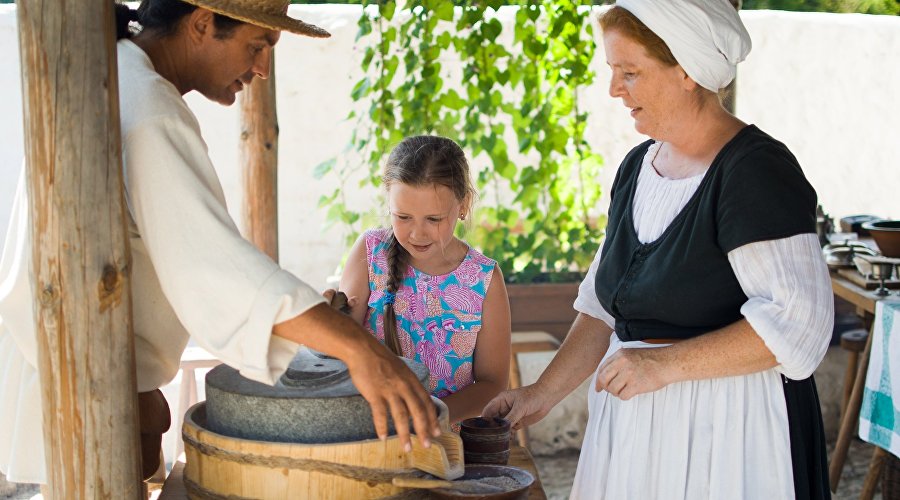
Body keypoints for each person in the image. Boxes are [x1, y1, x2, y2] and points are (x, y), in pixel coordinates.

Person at [0, 0, 438, 484]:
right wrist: (362, 350)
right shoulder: (148, 110)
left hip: (77, 378)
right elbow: (214, 269)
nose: (262, 68)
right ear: (202, 24)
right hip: (76, 398)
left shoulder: (121, 75)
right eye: (257, 45)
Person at [483, 2, 834, 499]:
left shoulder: (755, 173)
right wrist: (541, 394)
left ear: (686, 70)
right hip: (635, 435)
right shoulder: (637, 169)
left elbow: (800, 326)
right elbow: (604, 307)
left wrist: (664, 364)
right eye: (612, 71)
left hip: (730, 438)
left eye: (630, 73)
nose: (614, 89)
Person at [339, 135, 511, 425]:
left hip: (449, 442)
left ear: (464, 205)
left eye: (433, 219)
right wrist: (331, 316)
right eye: (403, 217)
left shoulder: (484, 280)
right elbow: (341, 346)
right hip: (371, 433)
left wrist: (430, 417)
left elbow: (492, 383)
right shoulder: (370, 254)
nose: (417, 234)